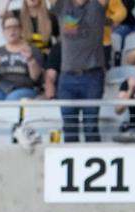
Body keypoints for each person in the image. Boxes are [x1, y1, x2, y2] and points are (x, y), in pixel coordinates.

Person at [51, 0, 108, 143]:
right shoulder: (63, 5)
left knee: (91, 127)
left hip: (92, 76)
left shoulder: (96, 6)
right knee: (69, 128)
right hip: (67, 77)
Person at [0, 17, 44, 101]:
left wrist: (30, 59)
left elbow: (35, 78)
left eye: (15, 27)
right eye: (8, 27)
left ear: (21, 29)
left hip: (24, 88)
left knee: (12, 100)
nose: (12, 30)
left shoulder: (32, 50)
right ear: (3, 31)